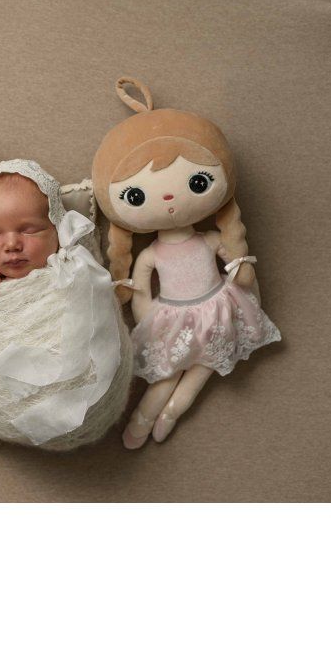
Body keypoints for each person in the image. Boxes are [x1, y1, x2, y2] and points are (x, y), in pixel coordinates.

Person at [93, 77, 281, 448]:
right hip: (174, 316)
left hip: (216, 309)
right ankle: (146, 416)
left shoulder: (210, 240)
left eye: (197, 182)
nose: (167, 200)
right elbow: (141, 289)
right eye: (136, 196)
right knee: (168, 373)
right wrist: (148, 316)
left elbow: (237, 265)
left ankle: (172, 412)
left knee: (201, 369)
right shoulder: (150, 255)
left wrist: (244, 281)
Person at [0, 160, 133, 451]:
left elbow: (94, 309)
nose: (12, 244)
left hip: (90, 400)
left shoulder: (75, 270)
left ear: (56, 229)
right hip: (3, 403)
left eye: (30, 230)